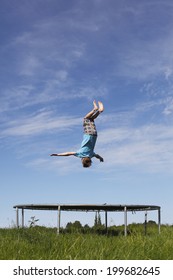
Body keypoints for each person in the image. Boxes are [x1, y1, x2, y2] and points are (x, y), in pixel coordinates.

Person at [50, 100, 104, 168]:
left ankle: (100, 111)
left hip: (94, 135)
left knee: (91, 119)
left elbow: (97, 156)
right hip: (88, 134)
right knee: (86, 118)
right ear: (82, 161)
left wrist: (101, 158)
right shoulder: (80, 154)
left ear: (89, 160)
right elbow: (68, 153)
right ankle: (95, 109)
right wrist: (57, 154)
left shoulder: (91, 155)